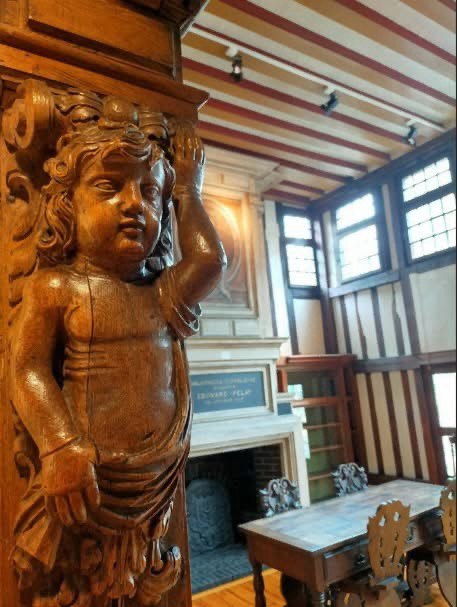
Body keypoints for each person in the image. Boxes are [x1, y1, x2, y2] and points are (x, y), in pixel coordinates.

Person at [10, 97, 226, 606]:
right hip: (86, 477)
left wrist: (187, 190)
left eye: (150, 192)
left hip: (156, 475)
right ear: (67, 205)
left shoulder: (162, 292)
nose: (135, 205)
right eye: (109, 187)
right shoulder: (57, 287)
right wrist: (60, 444)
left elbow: (209, 260)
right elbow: (28, 369)